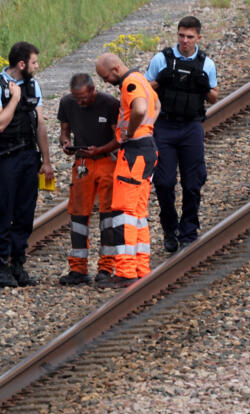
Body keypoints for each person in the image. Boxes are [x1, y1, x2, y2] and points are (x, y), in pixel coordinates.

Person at [0, 41, 54, 287]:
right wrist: (14, 99)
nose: (37, 66)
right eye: (34, 62)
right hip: (5, 159)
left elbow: (40, 124)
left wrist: (46, 160)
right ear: (21, 64)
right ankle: (2, 267)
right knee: (4, 212)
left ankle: (18, 263)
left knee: (24, 213)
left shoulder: (33, 85)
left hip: (27, 156)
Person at [144, 16, 218, 253]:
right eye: (181, 36)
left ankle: (188, 229)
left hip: (191, 127)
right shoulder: (161, 59)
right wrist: (159, 82)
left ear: (198, 38)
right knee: (164, 182)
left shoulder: (206, 64)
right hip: (164, 126)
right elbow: (144, 90)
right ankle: (169, 228)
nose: (184, 41)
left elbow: (214, 96)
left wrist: (204, 85)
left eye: (189, 37)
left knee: (193, 182)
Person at [95, 53, 160, 288]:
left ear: (114, 67)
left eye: (105, 76)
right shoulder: (141, 79)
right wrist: (146, 129)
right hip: (147, 148)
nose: (105, 82)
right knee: (138, 213)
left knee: (124, 212)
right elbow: (157, 104)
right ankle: (141, 267)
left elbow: (141, 109)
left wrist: (131, 132)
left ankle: (124, 271)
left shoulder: (130, 83)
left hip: (134, 152)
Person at [56, 73, 120, 285]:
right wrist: (66, 143)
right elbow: (64, 132)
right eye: (77, 98)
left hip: (106, 162)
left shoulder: (110, 104)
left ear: (93, 90)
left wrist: (99, 149)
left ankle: (106, 267)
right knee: (77, 215)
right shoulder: (67, 103)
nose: (80, 102)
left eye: (83, 97)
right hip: (82, 163)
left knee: (108, 215)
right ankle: (78, 269)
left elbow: (119, 138)